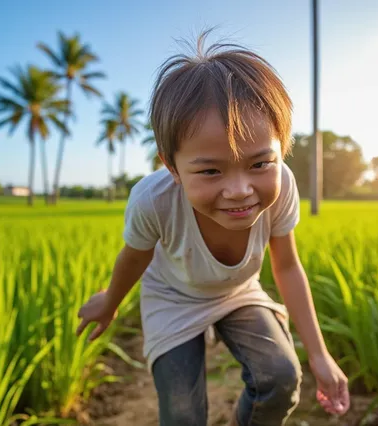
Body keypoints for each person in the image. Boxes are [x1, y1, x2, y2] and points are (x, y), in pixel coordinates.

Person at [76, 29, 350, 426]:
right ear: (171, 166)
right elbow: (134, 257)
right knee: (183, 414)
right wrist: (111, 301)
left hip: (238, 292)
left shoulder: (284, 184)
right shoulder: (153, 200)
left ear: (281, 149)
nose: (240, 191)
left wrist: (321, 356)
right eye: (210, 170)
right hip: (173, 297)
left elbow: (287, 265)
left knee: (281, 377)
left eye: (259, 164)